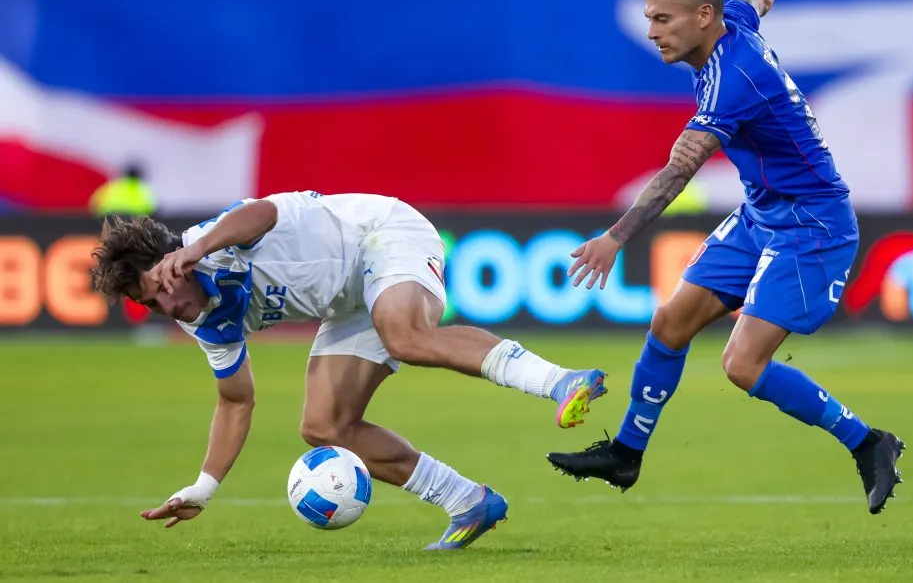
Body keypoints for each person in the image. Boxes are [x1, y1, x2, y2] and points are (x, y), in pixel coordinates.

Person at [546, 0, 904, 515]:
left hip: (812, 225)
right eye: (649, 17)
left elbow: (678, 170)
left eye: (663, 18)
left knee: (741, 365)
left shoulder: (731, 82)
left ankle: (868, 442)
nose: (652, 30)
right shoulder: (732, 25)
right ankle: (626, 454)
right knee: (670, 323)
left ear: (702, 16)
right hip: (764, 210)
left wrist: (615, 236)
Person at [90, 191, 607, 549]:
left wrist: (199, 247)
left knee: (406, 336)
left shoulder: (212, 243)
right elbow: (236, 400)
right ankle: (470, 502)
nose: (167, 304)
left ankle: (560, 381)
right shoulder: (204, 322)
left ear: (174, 260)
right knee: (324, 427)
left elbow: (263, 213)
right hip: (349, 301)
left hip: (382, 234)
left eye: (160, 285)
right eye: (150, 303)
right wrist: (202, 488)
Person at [88, 163, 158, 217]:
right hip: (135, 223)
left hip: (110, 220)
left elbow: (94, 204)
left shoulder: (112, 185)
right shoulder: (144, 189)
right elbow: (152, 210)